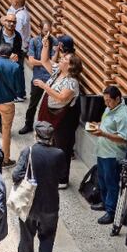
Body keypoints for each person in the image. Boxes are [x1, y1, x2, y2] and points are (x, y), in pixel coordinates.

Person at [13, 121, 67, 252]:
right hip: (50, 205)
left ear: (36, 135)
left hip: (29, 205)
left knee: (27, 236)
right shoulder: (59, 154)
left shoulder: (28, 151)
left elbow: (16, 175)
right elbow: (63, 174)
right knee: (47, 238)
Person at [33, 52, 83, 187]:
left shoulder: (72, 82)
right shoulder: (57, 72)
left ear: (71, 66)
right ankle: (51, 172)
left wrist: (44, 86)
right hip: (50, 113)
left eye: (65, 59)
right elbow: (44, 60)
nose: (61, 59)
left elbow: (61, 98)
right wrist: (45, 45)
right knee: (49, 143)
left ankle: (62, 179)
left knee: (62, 148)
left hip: (63, 118)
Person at [87, 85, 127, 224]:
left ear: (118, 98)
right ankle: (104, 202)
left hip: (113, 155)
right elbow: (107, 123)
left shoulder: (124, 116)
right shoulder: (110, 107)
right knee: (102, 180)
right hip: (102, 151)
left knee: (111, 182)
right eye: (105, 101)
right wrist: (98, 125)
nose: (106, 104)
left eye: (109, 101)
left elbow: (123, 138)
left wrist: (103, 133)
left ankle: (111, 212)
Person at [18, 19, 56, 135]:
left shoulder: (54, 41)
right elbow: (31, 61)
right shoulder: (34, 41)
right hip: (38, 76)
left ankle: (47, 129)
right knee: (33, 103)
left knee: (49, 106)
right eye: (45, 31)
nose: (47, 33)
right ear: (40, 29)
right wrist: (45, 62)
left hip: (51, 77)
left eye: (49, 31)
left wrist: (45, 61)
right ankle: (28, 124)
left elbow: (53, 61)